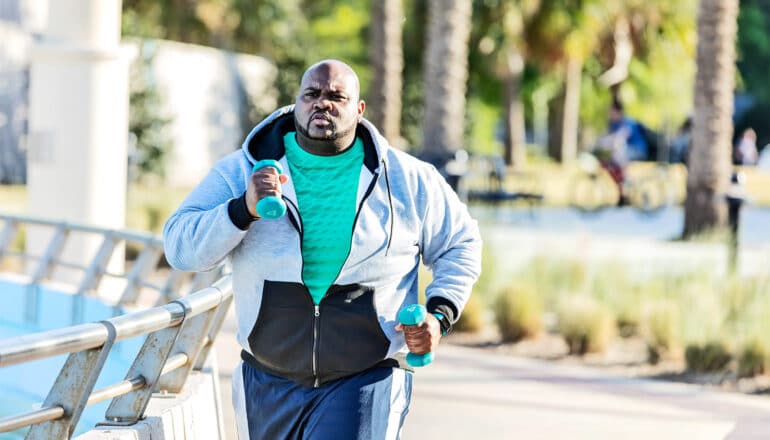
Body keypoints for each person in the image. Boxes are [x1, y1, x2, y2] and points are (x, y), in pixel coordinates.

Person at [163, 59, 482, 439]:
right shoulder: (241, 171)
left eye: (336, 96)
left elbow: (461, 243)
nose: (322, 103)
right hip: (265, 380)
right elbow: (180, 247)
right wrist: (241, 209)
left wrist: (439, 314)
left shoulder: (409, 179)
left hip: (364, 377)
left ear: (359, 109)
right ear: (296, 102)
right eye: (312, 94)